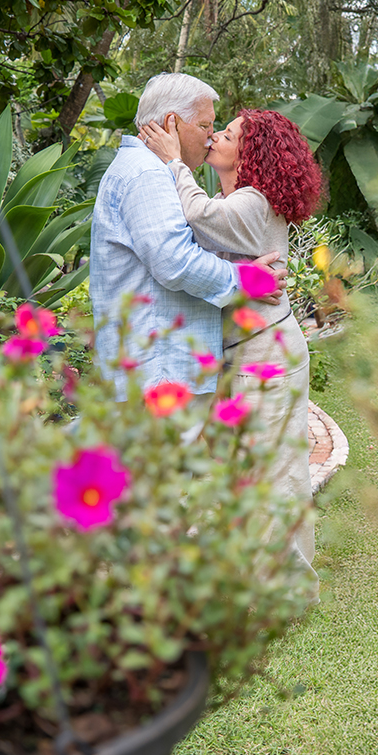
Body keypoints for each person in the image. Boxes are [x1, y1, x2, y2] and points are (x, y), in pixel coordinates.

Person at [140, 108, 324, 572]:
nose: (215, 136)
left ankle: (287, 591)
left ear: (250, 153)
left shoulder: (251, 204)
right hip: (252, 351)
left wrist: (171, 160)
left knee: (274, 474)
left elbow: (198, 214)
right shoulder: (242, 203)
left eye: (227, 134)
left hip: (266, 356)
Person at [89, 73, 284, 406]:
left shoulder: (148, 168)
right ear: (172, 123)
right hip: (160, 372)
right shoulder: (148, 173)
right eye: (206, 126)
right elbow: (174, 261)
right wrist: (245, 279)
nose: (211, 137)